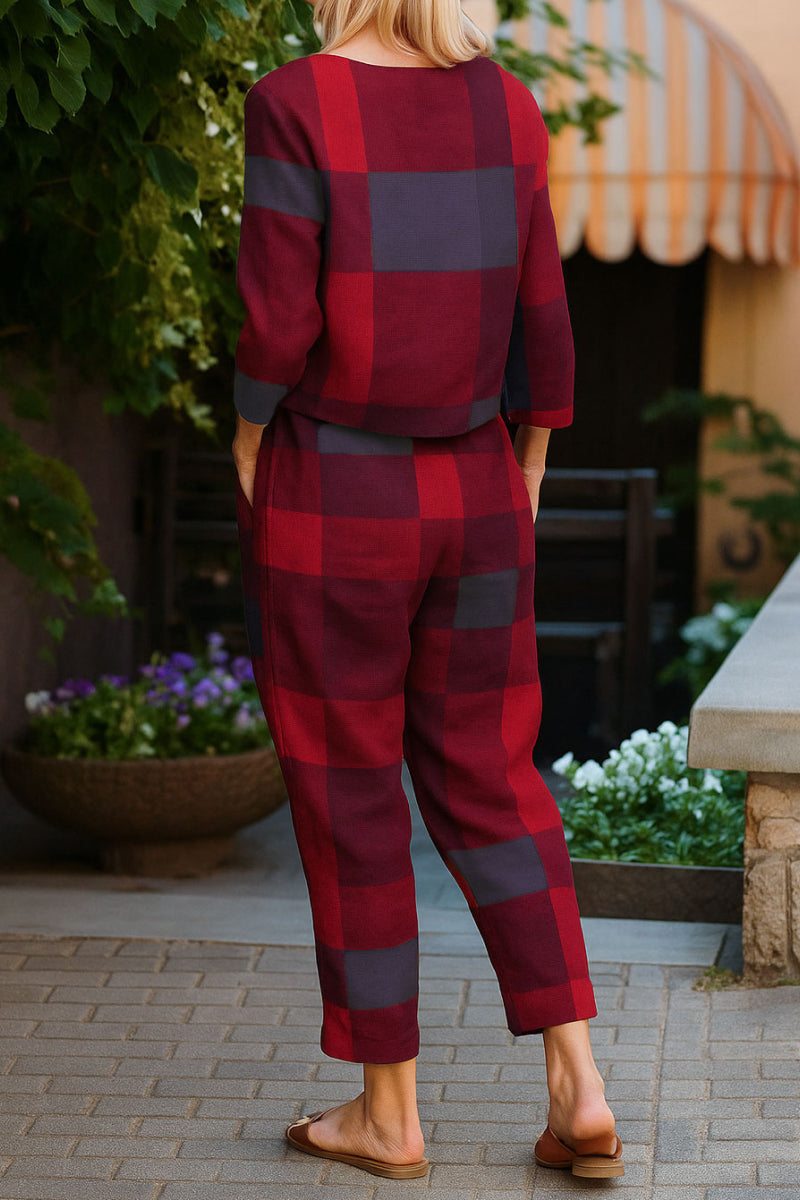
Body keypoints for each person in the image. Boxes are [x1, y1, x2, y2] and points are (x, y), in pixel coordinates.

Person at [230, 0, 624, 1183]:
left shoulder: (295, 101)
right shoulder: (506, 103)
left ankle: (388, 1115)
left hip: (336, 487)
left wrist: (247, 434)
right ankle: (579, 1087)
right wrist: (530, 456)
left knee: (349, 789)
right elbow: (541, 303)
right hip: (478, 479)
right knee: (496, 780)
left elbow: (277, 317)